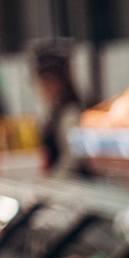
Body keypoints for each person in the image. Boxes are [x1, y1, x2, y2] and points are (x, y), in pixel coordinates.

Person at [34, 45, 86, 176]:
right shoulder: (54, 112)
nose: (44, 89)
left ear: (61, 82)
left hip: (70, 189)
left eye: (48, 83)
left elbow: (72, 160)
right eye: (42, 83)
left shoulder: (70, 113)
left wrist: (51, 183)